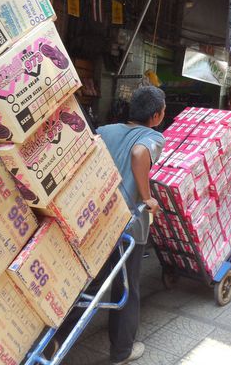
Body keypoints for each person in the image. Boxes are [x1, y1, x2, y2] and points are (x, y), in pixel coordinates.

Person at [50, 86, 166, 364]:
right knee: (127, 288)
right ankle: (121, 351)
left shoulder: (105, 131)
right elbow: (139, 154)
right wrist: (148, 198)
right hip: (129, 227)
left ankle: (57, 338)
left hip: (97, 220)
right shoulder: (153, 136)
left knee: (90, 284)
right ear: (157, 115)